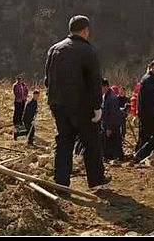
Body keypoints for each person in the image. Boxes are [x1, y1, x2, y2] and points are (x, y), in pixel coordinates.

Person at [44, 15, 110, 189]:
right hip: (82, 106)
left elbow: (47, 79)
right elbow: (94, 82)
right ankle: (96, 179)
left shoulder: (54, 49)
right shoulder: (88, 51)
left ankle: (61, 182)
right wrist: (97, 107)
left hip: (58, 104)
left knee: (64, 142)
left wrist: (52, 98)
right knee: (91, 143)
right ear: (85, 30)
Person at [133, 59, 154, 162]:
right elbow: (152, 101)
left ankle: (138, 156)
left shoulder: (149, 79)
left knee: (144, 137)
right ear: (153, 67)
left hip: (145, 114)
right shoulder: (149, 81)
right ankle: (141, 155)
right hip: (150, 114)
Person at [101, 79, 125, 160]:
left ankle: (116, 157)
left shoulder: (112, 98)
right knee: (110, 143)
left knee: (114, 142)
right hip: (107, 124)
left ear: (106, 87)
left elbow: (113, 114)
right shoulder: (105, 96)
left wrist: (109, 128)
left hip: (112, 125)